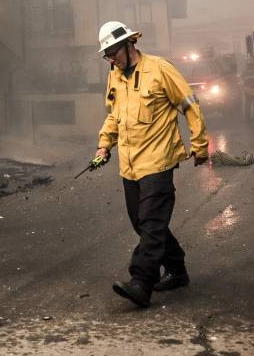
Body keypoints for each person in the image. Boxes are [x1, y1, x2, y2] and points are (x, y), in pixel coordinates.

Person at [93, 21, 209, 307]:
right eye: (106, 55)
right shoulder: (115, 77)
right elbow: (113, 115)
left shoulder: (160, 69)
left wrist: (200, 145)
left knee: (152, 222)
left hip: (158, 160)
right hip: (129, 164)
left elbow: (190, 105)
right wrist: (104, 144)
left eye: (113, 52)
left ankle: (142, 282)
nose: (111, 59)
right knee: (140, 222)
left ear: (129, 44)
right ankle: (177, 269)